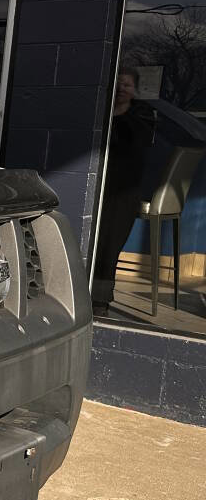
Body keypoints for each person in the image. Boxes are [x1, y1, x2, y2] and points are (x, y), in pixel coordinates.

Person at [92, 66, 206, 317]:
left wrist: (118, 115)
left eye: (127, 85)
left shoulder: (141, 116)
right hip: (98, 187)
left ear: (135, 90)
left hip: (124, 191)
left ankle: (100, 298)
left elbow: (135, 146)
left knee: (109, 239)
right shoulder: (97, 114)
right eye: (118, 84)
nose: (122, 89)